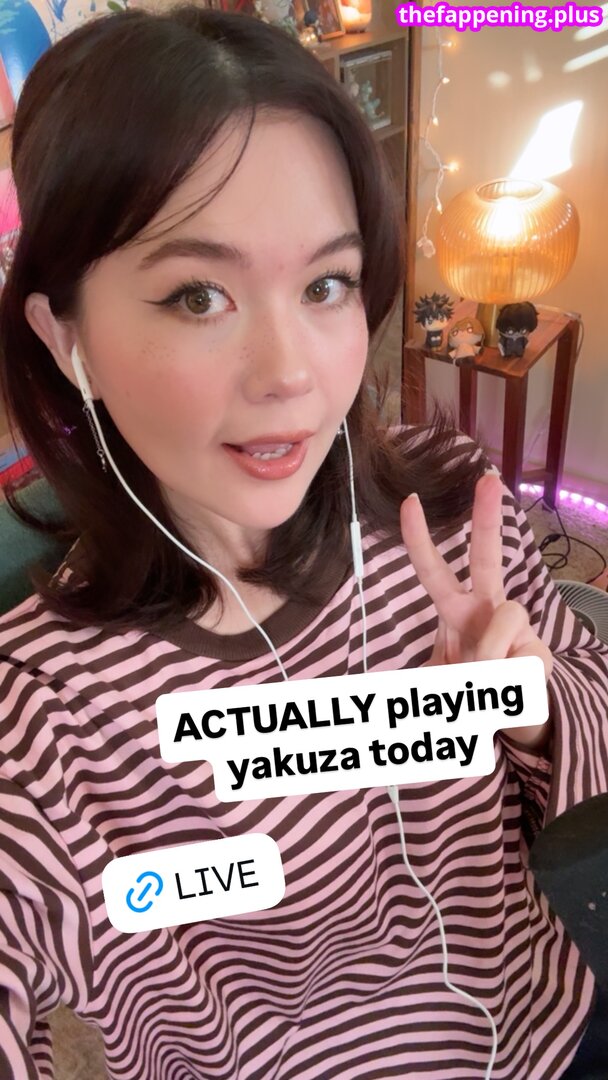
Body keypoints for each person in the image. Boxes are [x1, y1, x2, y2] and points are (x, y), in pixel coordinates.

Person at [0, 7, 607, 1079]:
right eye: (199, 296)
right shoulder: (45, 717)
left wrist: (530, 698)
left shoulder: (446, 510)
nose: (291, 373)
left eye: (326, 284)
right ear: (65, 334)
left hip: (541, 1028)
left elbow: (592, 710)